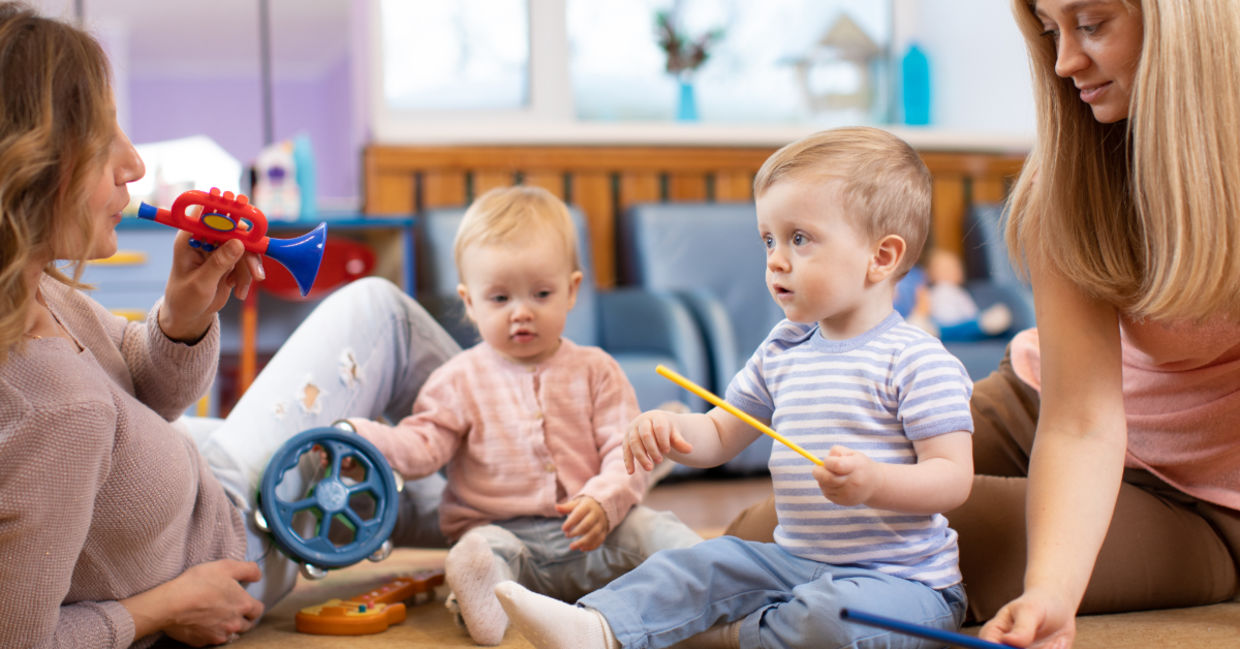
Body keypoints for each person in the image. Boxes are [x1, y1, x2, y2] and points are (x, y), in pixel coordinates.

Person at [727, 2, 1240, 648]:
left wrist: (1050, 591)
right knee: (783, 519)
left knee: (892, 559)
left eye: (1092, 23)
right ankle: (618, 591)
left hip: (1199, 496)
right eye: (1051, 31)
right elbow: (1081, 418)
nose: (1064, 62)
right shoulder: (1078, 173)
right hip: (1041, 405)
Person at [0, 4, 459, 647]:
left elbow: (148, 396)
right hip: (231, 533)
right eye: (104, 140)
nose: (133, 164)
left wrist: (182, 319)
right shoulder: (55, 412)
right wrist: (163, 608)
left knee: (430, 486)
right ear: (36, 170)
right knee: (380, 314)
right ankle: (540, 463)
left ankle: (536, 484)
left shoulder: (36, 289)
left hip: (201, 473)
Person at [493, 126, 976, 649]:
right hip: (792, 561)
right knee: (702, 562)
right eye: (768, 238)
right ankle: (598, 629)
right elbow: (720, 435)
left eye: (799, 238)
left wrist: (875, 483)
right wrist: (672, 429)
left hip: (903, 586)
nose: (776, 259)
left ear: (880, 258)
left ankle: (721, 637)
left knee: (829, 621)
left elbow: (952, 479)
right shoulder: (783, 347)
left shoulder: (918, 360)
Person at [347, 186, 701, 645]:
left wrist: (604, 500)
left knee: (655, 528)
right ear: (469, 302)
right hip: (505, 538)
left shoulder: (597, 370)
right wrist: (366, 438)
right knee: (479, 552)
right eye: (499, 299)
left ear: (572, 290)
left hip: (596, 531)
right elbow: (422, 444)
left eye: (540, 293)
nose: (521, 313)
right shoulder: (457, 379)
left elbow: (623, 450)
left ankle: (711, 576)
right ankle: (493, 608)